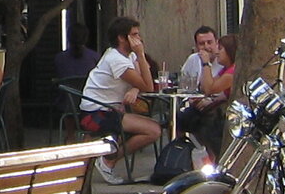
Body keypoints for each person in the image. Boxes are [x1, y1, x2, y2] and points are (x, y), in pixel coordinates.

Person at [81, 18, 166, 162]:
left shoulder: (128, 55)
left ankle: (106, 157)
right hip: (97, 112)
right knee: (154, 130)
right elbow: (148, 87)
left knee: (153, 126)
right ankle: (109, 161)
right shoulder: (116, 60)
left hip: (112, 109)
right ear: (121, 38)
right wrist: (141, 55)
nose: (139, 39)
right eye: (134, 35)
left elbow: (142, 79)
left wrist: (135, 89)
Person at [178, 25, 238, 159]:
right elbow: (206, 89)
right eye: (201, 44)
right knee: (182, 118)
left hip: (222, 115)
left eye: (220, 49)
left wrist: (206, 64)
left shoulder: (231, 72)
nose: (217, 52)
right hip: (211, 106)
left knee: (201, 123)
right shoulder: (225, 69)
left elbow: (210, 89)